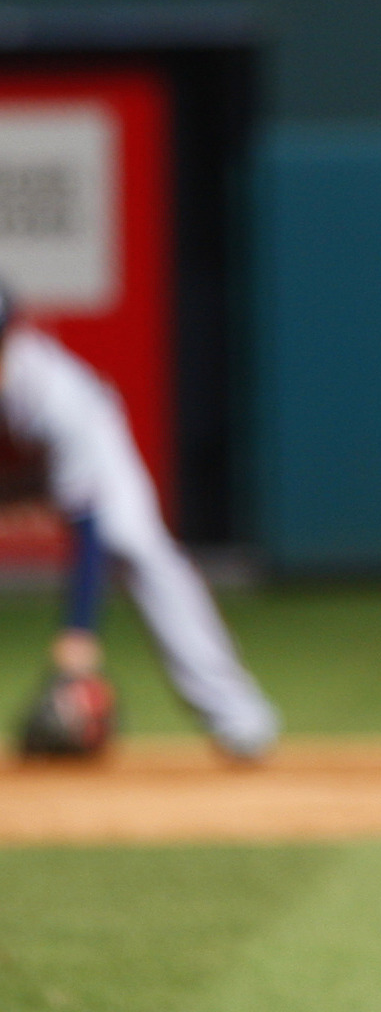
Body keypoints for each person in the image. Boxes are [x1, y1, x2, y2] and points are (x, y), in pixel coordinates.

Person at [0, 288, 279, 760]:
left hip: (82, 449)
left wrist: (78, 635)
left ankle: (240, 720)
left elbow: (89, 525)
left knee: (136, 546)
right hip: (12, 466)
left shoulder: (55, 393)